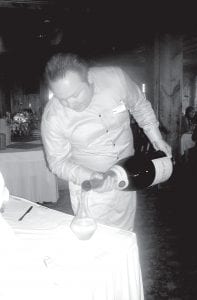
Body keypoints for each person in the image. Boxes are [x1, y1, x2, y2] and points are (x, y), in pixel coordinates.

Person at [41, 52, 171, 231]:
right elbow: (57, 162)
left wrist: (156, 137)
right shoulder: (53, 116)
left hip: (128, 173)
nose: (71, 103)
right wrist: (91, 176)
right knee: (97, 243)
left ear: (88, 78)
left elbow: (139, 104)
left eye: (76, 94)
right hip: (91, 187)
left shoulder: (115, 78)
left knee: (124, 234)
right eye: (62, 99)